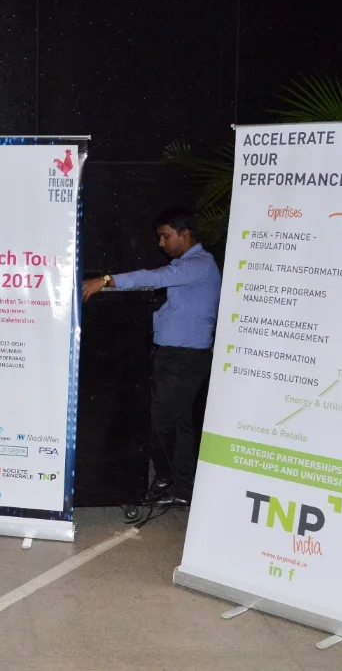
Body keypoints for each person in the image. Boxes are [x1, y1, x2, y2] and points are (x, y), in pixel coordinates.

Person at [82, 206, 221, 508]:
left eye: (165, 236)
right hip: (175, 356)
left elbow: (154, 277)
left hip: (184, 360)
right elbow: (173, 312)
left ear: (185, 233)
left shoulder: (199, 264)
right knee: (180, 426)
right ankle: (180, 487)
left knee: (159, 422)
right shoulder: (191, 269)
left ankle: (170, 480)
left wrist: (106, 280)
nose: (161, 243)